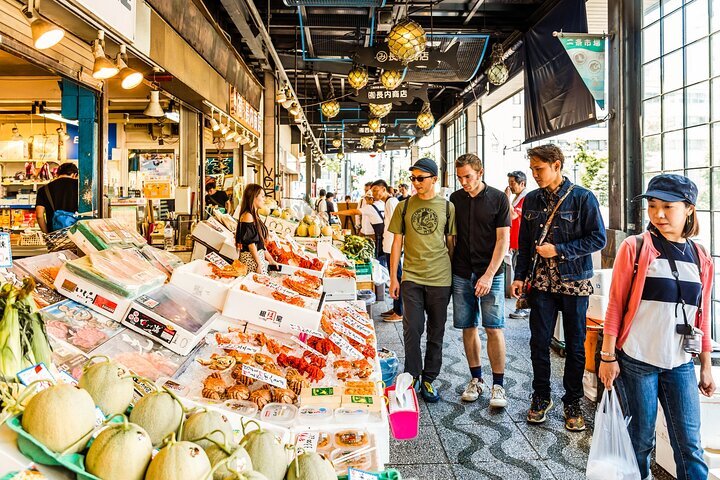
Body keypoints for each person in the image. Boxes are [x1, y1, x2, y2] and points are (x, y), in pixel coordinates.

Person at [598, 174, 715, 480]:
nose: (658, 214)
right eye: (652, 206)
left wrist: (706, 366)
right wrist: (607, 356)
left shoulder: (701, 256)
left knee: (690, 446)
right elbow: (615, 305)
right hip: (637, 358)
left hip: (680, 363)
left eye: (667, 206)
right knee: (639, 440)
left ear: (689, 209)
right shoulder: (636, 247)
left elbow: (701, 318)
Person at [510, 144, 606, 431]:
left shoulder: (583, 198)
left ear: (557, 165)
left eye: (539, 169)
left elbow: (597, 239)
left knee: (576, 346)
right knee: (539, 342)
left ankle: (572, 402)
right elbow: (525, 245)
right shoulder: (531, 201)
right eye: (532, 169)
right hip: (541, 284)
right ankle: (541, 397)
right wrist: (519, 276)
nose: (535, 174)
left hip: (574, 281)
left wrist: (560, 250)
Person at [389, 158, 456, 403]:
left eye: (421, 178)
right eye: (413, 178)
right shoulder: (403, 207)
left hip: (440, 279)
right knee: (412, 328)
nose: (416, 183)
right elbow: (397, 243)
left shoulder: (448, 208)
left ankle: (429, 378)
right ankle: (412, 375)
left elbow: (451, 245)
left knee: (436, 331)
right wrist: (394, 277)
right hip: (411, 277)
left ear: (434, 179)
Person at [450, 154, 511, 408]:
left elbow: (503, 241)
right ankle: (476, 379)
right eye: (460, 177)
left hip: (492, 273)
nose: (464, 182)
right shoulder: (455, 199)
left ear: (480, 172)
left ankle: (498, 385)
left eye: (468, 177)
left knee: (494, 327)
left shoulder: (498, 198)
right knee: (468, 326)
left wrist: (488, 275)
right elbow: (451, 239)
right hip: (462, 271)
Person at [236, 184, 277, 274]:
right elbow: (251, 244)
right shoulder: (248, 216)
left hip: (257, 257)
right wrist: (258, 264)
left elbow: (260, 243)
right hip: (251, 260)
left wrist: (270, 260)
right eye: (262, 196)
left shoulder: (255, 215)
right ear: (254, 197)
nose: (264, 199)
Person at [506, 171, 530, 319]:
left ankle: (524, 307)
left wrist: (506, 199)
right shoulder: (517, 198)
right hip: (515, 242)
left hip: (522, 244)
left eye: (513, 183)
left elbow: (513, 214)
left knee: (522, 277)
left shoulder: (525, 199)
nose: (510, 186)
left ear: (522, 183)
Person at [35, 162, 78, 233]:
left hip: (55, 236)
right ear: (74, 175)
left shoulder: (44, 189)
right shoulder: (81, 187)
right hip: (77, 234)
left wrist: (47, 235)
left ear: (57, 174)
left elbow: (39, 215)